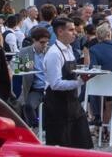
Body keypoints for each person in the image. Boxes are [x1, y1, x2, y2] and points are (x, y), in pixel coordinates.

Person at [39, 17, 91, 148]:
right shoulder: (54, 54)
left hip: (72, 102)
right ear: (60, 31)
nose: (75, 33)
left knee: (82, 142)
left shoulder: (69, 49)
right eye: (71, 30)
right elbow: (55, 84)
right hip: (57, 105)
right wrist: (79, 82)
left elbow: (71, 72)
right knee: (61, 146)